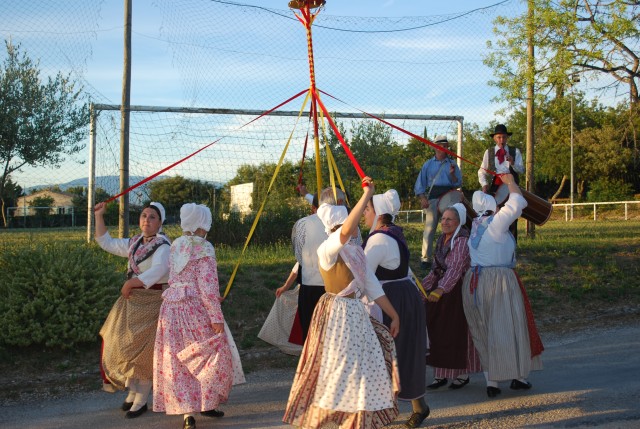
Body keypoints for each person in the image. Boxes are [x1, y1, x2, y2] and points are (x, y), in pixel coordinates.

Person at [283, 177, 401, 429]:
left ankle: (354, 420)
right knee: (338, 369)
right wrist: (367, 195)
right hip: (336, 313)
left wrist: (394, 315)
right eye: (351, 221)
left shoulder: (356, 252)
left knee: (361, 368)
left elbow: (372, 286)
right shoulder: (327, 248)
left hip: (355, 312)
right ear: (338, 224)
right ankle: (331, 418)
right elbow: (345, 232)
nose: (357, 226)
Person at [153, 203, 245, 429]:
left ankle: (188, 413)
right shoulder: (204, 247)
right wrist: (216, 316)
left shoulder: (176, 244)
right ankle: (207, 402)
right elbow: (207, 286)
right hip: (195, 309)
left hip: (172, 308)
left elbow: (179, 276)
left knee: (180, 357)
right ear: (202, 223)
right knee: (207, 354)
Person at [462, 174, 544, 398]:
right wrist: (510, 182)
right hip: (499, 281)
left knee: (484, 330)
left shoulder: (476, 225)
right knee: (508, 327)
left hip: (475, 281)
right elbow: (517, 203)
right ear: (492, 206)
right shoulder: (495, 225)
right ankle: (517, 377)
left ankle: (493, 382)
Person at [94, 201, 170, 419]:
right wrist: (99, 216)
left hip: (152, 303)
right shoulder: (135, 243)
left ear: (160, 222)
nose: (146, 220)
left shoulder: (163, 246)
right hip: (132, 302)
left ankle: (142, 398)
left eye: (152, 217)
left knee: (144, 352)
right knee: (124, 345)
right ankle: (133, 390)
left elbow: (159, 270)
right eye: (144, 215)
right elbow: (105, 242)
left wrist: (131, 283)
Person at [362, 189, 430, 428]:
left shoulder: (379, 239)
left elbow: (362, 275)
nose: (364, 214)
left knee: (390, 354)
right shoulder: (393, 233)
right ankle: (416, 406)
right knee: (400, 353)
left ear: (379, 213)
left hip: (391, 299)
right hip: (400, 296)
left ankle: (382, 411)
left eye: (368, 210)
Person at [422, 203, 481, 391]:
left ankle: (462, 374)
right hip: (441, 286)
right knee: (437, 330)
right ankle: (441, 374)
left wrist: (440, 290)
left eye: (449, 219)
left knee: (456, 332)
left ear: (459, 222)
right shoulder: (442, 239)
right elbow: (436, 268)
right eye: (444, 219)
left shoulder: (462, 240)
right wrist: (423, 286)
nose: (445, 222)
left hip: (456, 290)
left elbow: (454, 270)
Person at [414, 135, 463, 271]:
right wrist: (423, 198)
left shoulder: (452, 164)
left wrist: (452, 174)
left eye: (446, 146)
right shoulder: (428, 164)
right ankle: (426, 258)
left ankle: (451, 256)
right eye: (442, 146)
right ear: (435, 147)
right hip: (433, 198)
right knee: (430, 228)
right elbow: (420, 184)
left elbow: (458, 182)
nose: (445, 148)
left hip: (449, 198)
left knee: (450, 226)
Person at [290, 192, 327, 343]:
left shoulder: (304, 223)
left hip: (310, 283)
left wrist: (310, 264)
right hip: (335, 286)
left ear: (313, 207)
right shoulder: (346, 223)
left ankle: (311, 362)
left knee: (310, 330)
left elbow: (298, 254)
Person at [478, 124, 524, 241]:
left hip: (511, 187)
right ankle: (496, 245)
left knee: (512, 218)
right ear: (494, 138)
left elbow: (521, 170)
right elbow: (482, 171)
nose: (501, 140)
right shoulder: (489, 152)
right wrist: (484, 185)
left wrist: (513, 163)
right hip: (495, 189)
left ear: (507, 138)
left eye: (503, 137)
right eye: (499, 137)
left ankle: (512, 248)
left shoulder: (515, 151)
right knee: (495, 218)